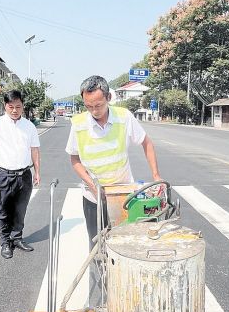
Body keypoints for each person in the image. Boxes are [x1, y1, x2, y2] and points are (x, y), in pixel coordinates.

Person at [66, 75, 161, 248]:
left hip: (124, 194)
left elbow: (146, 142)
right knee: (97, 247)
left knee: (125, 243)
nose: (94, 111)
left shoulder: (124, 116)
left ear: (108, 98)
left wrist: (156, 175)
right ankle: (99, 274)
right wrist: (92, 184)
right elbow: (74, 159)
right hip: (94, 197)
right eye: (88, 107)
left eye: (98, 105)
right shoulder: (78, 124)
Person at [0, 90, 41, 259]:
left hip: (24, 174)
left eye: (18, 106)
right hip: (4, 174)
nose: (15, 110)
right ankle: (5, 241)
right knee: (4, 210)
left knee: (20, 209)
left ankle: (16, 237)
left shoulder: (29, 126)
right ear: (5, 106)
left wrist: (37, 171)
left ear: (23, 106)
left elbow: (35, 150)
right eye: (11, 107)